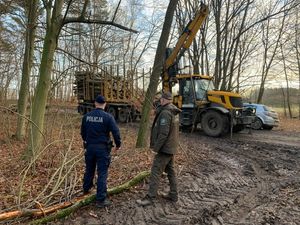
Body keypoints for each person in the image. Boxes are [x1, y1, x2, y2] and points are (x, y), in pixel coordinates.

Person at [136, 91, 181, 206]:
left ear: (164, 100)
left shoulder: (166, 113)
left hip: (165, 149)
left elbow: (163, 134)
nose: (160, 100)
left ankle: (150, 198)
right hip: (171, 147)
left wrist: (156, 148)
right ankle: (173, 194)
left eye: (161, 99)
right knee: (171, 171)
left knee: (155, 171)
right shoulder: (173, 111)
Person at [81, 95, 121, 208]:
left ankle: (86, 190)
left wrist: (86, 141)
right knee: (102, 173)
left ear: (95, 103)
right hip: (102, 149)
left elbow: (83, 132)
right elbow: (116, 132)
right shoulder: (108, 117)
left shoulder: (86, 116)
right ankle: (101, 200)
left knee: (89, 169)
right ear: (105, 104)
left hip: (89, 147)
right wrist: (118, 145)